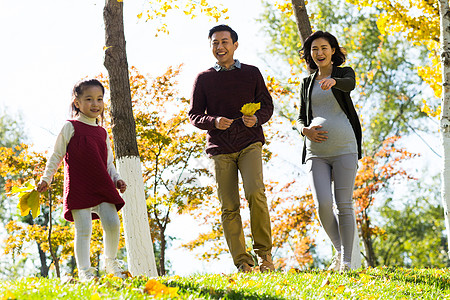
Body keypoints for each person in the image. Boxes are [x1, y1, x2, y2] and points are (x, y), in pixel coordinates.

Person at [189, 24, 275, 273]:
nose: (220, 47)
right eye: (215, 43)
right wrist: (213, 121)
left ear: (235, 45)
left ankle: (265, 257)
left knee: (255, 193)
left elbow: (267, 105)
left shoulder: (251, 73)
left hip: (250, 142)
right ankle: (243, 262)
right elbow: (194, 115)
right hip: (219, 148)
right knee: (229, 206)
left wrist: (256, 118)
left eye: (225, 42)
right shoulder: (203, 79)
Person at [37, 79, 128, 281]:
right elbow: (56, 155)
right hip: (79, 186)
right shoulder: (70, 127)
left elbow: (109, 163)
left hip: (102, 185)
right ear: (77, 102)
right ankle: (85, 272)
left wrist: (117, 179)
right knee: (84, 229)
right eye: (89, 99)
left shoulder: (102, 132)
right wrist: (46, 178)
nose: (95, 104)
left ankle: (111, 263)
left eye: (99, 99)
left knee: (113, 223)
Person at [296, 31, 362, 272]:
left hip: (345, 147)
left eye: (324, 48)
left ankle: (346, 262)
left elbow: (350, 84)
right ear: (309, 54)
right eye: (314, 49)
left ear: (333, 50)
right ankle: (340, 249)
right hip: (317, 152)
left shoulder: (344, 74)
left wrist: (334, 81)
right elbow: (300, 117)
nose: (319, 53)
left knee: (344, 204)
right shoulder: (307, 82)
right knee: (323, 204)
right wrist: (304, 130)